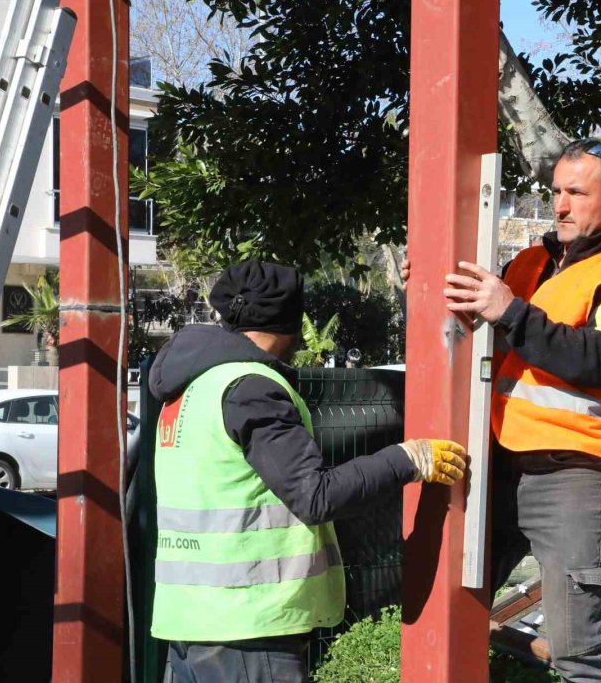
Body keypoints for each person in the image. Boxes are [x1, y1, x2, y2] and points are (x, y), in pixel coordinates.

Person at [406, 138, 601, 682]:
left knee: (576, 653)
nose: (560, 205)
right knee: (448, 613)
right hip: (495, 466)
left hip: (572, 477)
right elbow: (468, 318)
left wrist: (510, 310)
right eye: (557, 191)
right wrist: (428, 281)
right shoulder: (531, 264)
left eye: (576, 193)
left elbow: (598, 359)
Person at [149, 259, 466, 683]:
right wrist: (407, 459)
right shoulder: (251, 388)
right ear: (289, 324)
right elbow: (315, 496)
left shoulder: (190, 386)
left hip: (189, 624)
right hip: (248, 628)